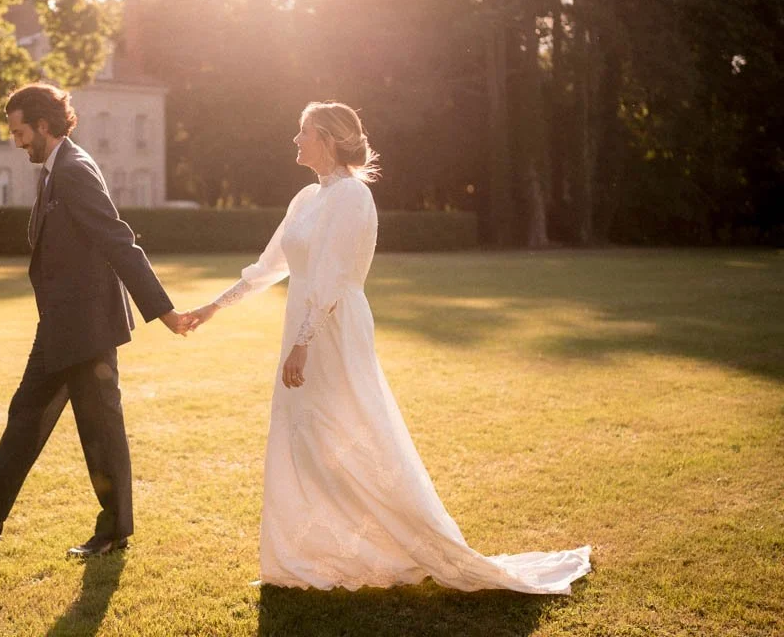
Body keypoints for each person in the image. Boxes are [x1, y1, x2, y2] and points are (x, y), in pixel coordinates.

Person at [184, 101, 592, 593]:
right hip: (303, 329)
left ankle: (397, 543)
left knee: (351, 433)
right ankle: (309, 557)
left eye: (304, 132)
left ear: (329, 140)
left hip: (332, 333)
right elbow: (270, 266)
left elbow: (334, 277)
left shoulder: (353, 196)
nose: (296, 140)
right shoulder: (304, 199)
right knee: (303, 440)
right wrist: (213, 306)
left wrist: (303, 343)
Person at [0, 83, 193, 557]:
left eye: (20, 132)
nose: (15, 141)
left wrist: (165, 311)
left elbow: (119, 240)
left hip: (88, 329)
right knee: (26, 413)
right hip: (61, 324)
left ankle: (114, 530)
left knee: (99, 430)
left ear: (44, 126)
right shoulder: (55, 168)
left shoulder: (74, 170)